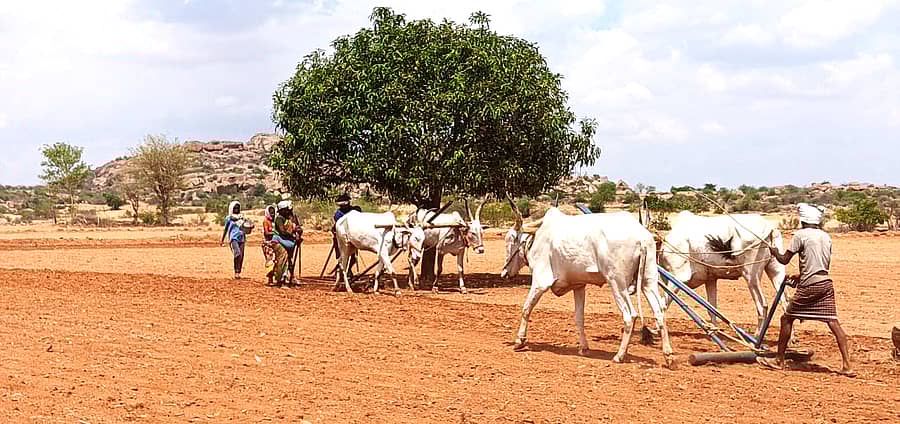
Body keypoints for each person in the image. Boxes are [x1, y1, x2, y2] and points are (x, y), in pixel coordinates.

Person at [758, 203, 855, 377]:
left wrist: (774, 252)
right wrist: (800, 276)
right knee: (833, 322)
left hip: (810, 286)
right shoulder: (826, 237)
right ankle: (847, 365)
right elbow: (821, 265)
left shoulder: (800, 235)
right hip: (825, 284)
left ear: (803, 221)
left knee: (786, 318)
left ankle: (778, 360)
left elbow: (784, 260)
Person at [332, 193, 360, 290]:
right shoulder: (338, 214)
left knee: (353, 258)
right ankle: (342, 272)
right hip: (340, 237)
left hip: (353, 237)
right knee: (342, 256)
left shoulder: (353, 211)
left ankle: (348, 270)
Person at [273, 200, 302, 286]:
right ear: (282, 210)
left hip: (289, 242)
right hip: (279, 242)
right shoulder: (279, 219)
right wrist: (293, 237)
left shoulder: (290, 218)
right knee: (282, 260)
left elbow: (297, 227)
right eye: (287, 210)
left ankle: (290, 277)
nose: (289, 211)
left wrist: (298, 232)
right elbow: (282, 231)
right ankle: (281, 280)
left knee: (289, 260)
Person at [220, 201, 247, 280]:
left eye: (238, 208)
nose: (236, 209)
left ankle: (238, 272)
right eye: (235, 208)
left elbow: (246, 226)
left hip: (242, 238)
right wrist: (222, 240)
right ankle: (236, 271)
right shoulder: (229, 218)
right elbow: (226, 229)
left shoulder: (242, 217)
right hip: (233, 238)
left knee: (241, 256)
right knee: (237, 253)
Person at [262, 204, 278, 285]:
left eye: (273, 213)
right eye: (271, 213)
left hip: (275, 243)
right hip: (268, 244)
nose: (273, 214)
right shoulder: (266, 221)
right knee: (270, 261)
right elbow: (267, 232)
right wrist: (276, 233)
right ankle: (270, 280)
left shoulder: (274, 221)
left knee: (276, 261)